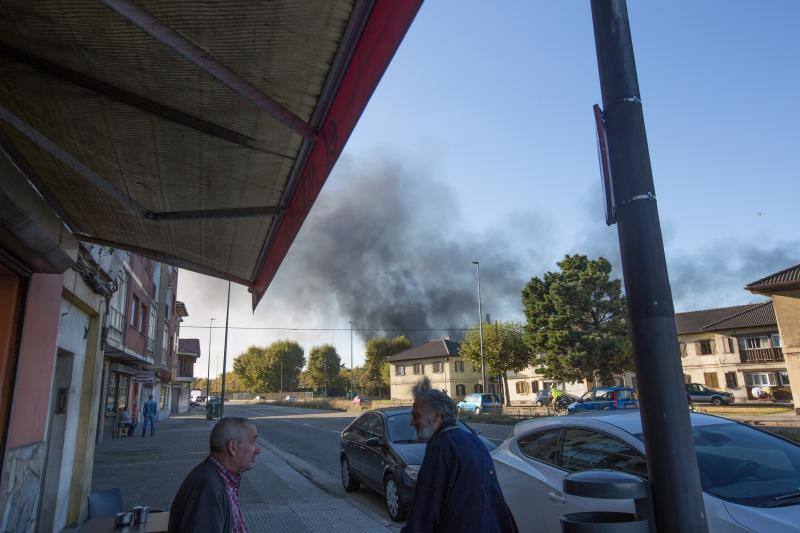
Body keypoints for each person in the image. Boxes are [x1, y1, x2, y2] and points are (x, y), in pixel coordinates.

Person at [402, 377, 514, 533]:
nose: (411, 423)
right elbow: (496, 501)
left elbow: (425, 510)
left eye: (416, 416)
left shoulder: (440, 448)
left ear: (436, 417)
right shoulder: (474, 441)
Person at [169, 417, 261, 533]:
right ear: (232, 447)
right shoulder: (207, 488)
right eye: (252, 441)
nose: (258, 449)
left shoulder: (221, 479)